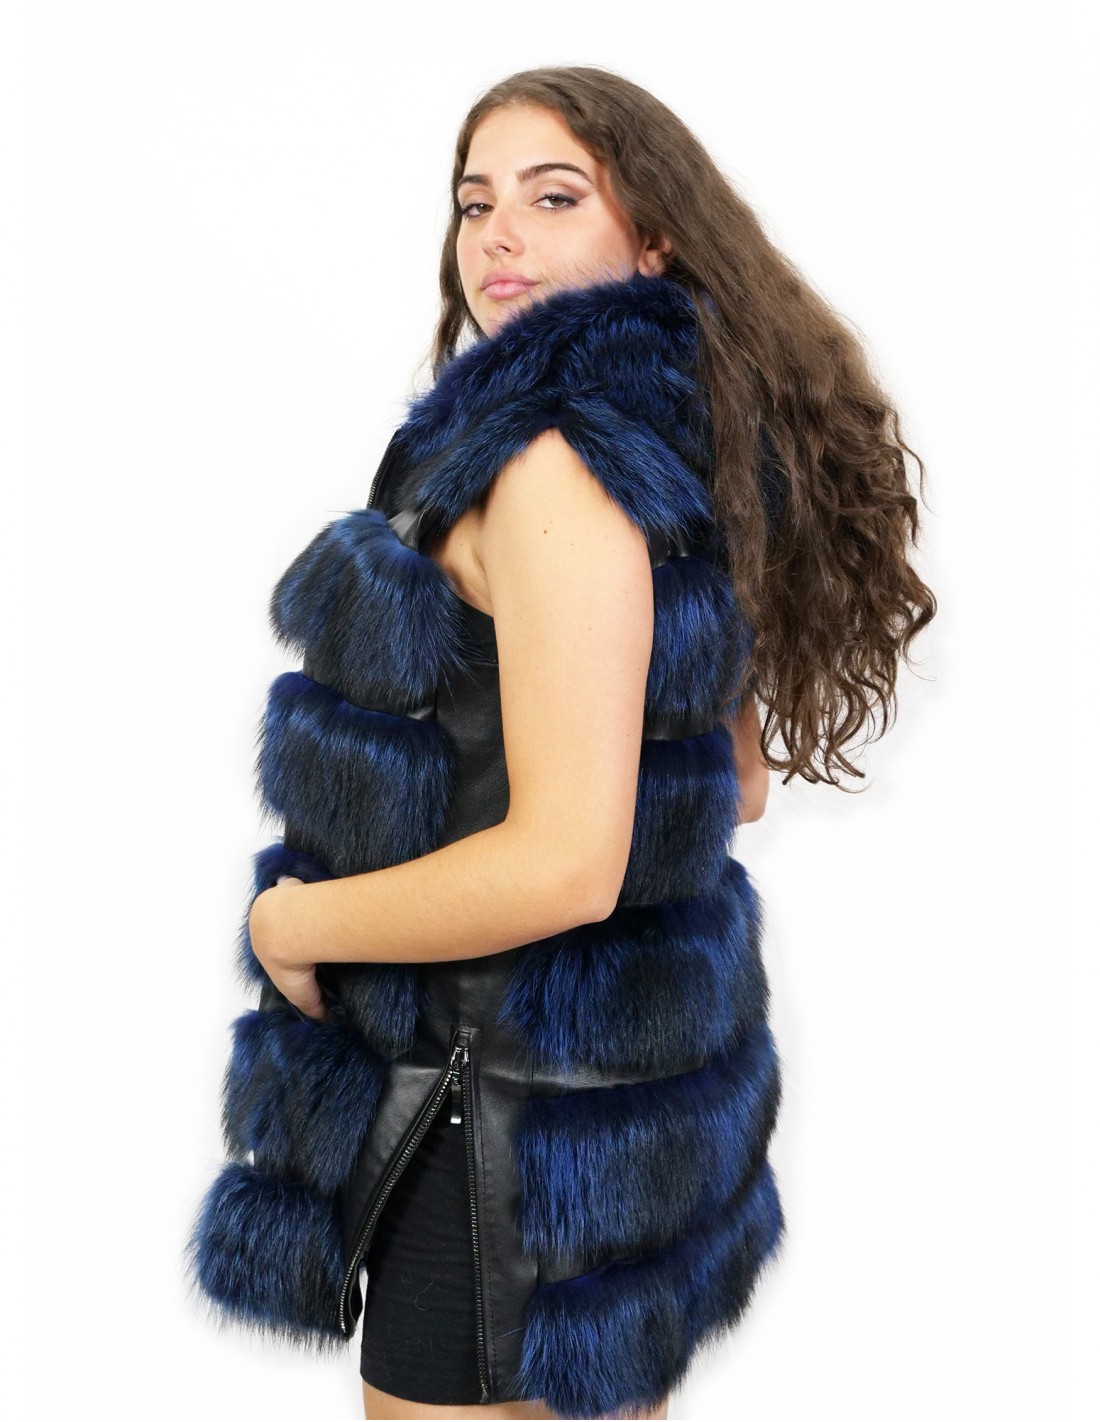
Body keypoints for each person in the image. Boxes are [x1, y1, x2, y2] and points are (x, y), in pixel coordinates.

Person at [187, 66, 936, 1422]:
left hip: (498, 1125)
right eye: (476, 202)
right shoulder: (669, 453)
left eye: (553, 196)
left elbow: (569, 864)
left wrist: (294, 923)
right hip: (617, 1118)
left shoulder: (548, 470)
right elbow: (734, 783)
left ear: (654, 240)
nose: (499, 237)